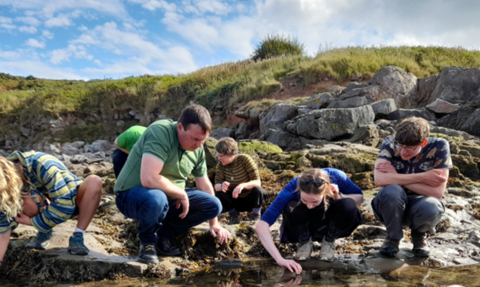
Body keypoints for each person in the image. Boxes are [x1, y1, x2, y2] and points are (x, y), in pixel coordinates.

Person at [114, 104, 230, 264]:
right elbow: (149, 179)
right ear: (181, 127)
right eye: (195, 139)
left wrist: (214, 223)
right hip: (131, 196)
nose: (199, 145)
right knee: (157, 198)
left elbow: (204, 185)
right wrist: (181, 193)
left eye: (203, 140)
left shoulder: (198, 149)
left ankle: (162, 235)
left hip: (169, 200)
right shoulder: (161, 132)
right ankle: (147, 244)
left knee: (214, 205)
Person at [0, 151, 103, 266]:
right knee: (29, 200)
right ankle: (44, 231)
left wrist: (32, 222)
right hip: (47, 204)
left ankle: (77, 236)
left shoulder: (41, 164)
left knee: (95, 181)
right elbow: (3, 229)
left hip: (73, 199)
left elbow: (65, 207)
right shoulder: (5, 184)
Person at [255, 168, 364, 274]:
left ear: (326, 189)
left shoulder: (338, 176)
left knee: (348, 204)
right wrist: (279, 259)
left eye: (315, 201)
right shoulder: (292, 187)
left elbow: (360, 198)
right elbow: (261, 225)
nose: (310, 206)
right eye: (305, 200)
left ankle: (329, 240)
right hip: (304, 221)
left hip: (329, 219)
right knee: (291, 206)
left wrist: (339, 196)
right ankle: (305, 241)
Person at [372, 117, 451, 257]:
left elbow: (437, 192)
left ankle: (419, 235)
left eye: (409, 148)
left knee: (433, 206)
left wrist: (395, 176)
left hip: (420, 206)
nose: (402, 152)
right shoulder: (390, 142)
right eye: (400, 146)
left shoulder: (439, 146)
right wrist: (423, 177)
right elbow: (379, 179)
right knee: (392, 190)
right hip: (389, 206)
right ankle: (392, 238)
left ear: (424, 142)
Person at [214, 137, 267, 224]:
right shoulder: (220, 165)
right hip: (234, 201)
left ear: (230, 154)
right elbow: (216, 186)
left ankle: (256, 215)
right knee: (219, 193)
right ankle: (234, 215)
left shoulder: (245, 159)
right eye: (217, 156)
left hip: (249, 200)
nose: (218, 159)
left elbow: (258, 182)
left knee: (258, 190)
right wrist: (221, 186)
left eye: (220, 156)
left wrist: (242, 185)